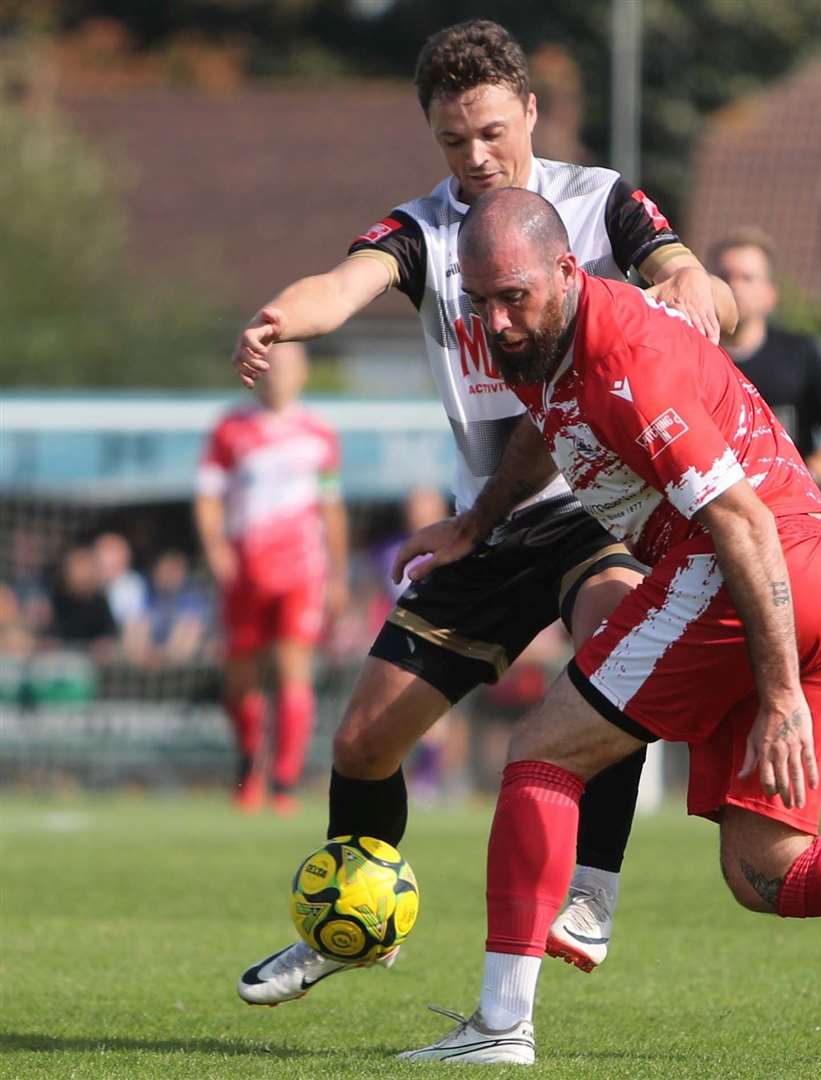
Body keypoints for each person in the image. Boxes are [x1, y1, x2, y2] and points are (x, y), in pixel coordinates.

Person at [395, 189, 821, 1064]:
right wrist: (475, 523)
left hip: (758, 565)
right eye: (481, 299)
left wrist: (780, 697)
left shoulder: (626, 360)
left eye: (515, 297)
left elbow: (741, 523)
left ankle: (500, 1027)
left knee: (542, 752)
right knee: (766, 869)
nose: (497, 321)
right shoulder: (543, 343)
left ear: (568, 272)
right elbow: (549, 427)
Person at [230, 19, 737, 1004]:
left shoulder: (597, 202)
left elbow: (678, 263)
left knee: (612, 649)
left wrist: (687, 280)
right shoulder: (424, 229)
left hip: (604, 514)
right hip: (491, 527)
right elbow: (344, 284)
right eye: (454, 141)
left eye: (492, 133)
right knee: (361, 743)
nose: (475, 157)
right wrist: (282, 316)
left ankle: (590, 891)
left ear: (531, 113)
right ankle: (353, 919)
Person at [195, 342, 349, 815]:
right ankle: (248, 767)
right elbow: (208, 498)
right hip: (246, 570)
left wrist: (338, 574)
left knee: (292, 671)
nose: (278, 375)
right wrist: (217, 550)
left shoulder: (318, 433)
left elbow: (330, 506)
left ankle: (283, 782)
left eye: (287, 366)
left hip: (301, 570)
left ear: (303, 374)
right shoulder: (230, 429)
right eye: (271, 366)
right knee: (240, 678)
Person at [710, 228, 821, 486]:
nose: (734, 286)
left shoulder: (799, 354)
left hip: (788, 516)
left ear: (770, 295)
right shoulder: (691, 356)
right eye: (725, 276)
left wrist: (801, 480)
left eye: (747, 278)